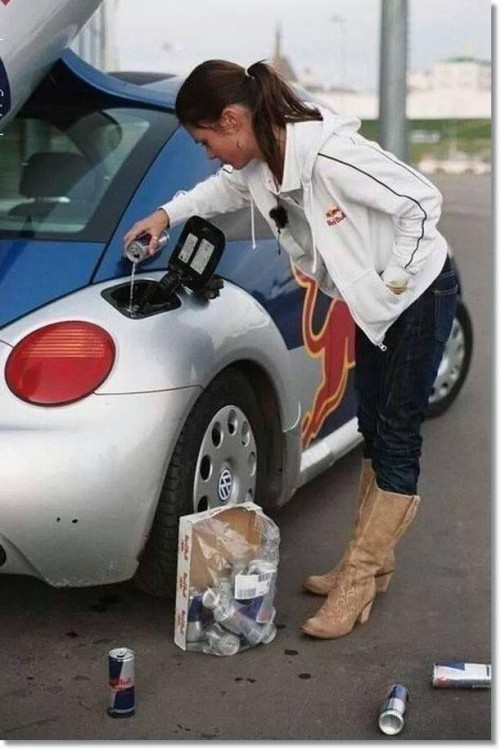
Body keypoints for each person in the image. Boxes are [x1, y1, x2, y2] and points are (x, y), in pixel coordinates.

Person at [124, 59, 458, 639]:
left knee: (399, 433)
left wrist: (393, 285)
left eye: (207, 140)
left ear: (233, 119)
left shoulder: (328, 154)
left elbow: (422, 203)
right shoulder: (261, 161)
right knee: (375, 429)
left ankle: (357, 581)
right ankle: (370, 567)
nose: (208, 152)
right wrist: (164, 215)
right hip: (379, 304)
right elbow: (222, 189)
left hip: (419, 295)